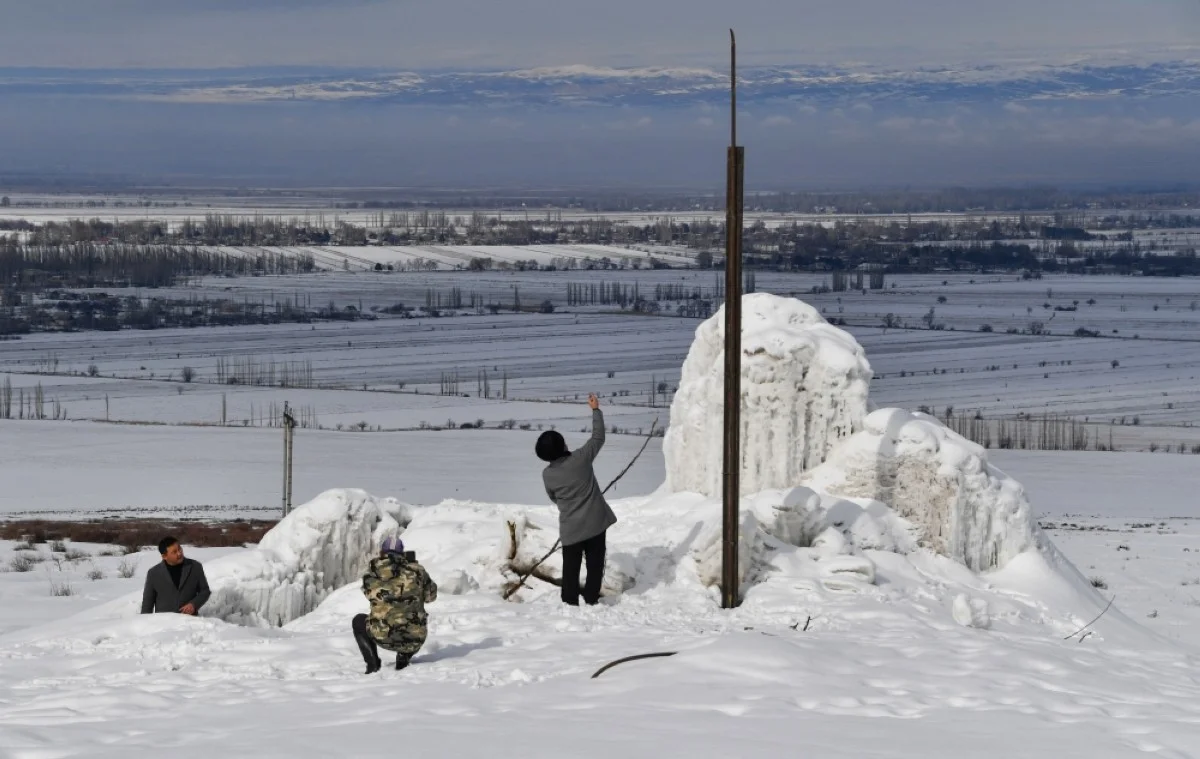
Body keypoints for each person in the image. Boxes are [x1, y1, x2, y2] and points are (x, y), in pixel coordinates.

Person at [537, 393, 617, 606]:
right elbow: (598, 437)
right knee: (595, 565)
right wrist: (595, 409)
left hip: (571, 528)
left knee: (570, 569)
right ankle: (591, 599)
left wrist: (569, 505)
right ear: (562, 446)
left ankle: (569, 602)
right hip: (595, 523)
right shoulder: (581, 459)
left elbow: (553, 497)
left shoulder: (548, 475)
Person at [352, 536, 438, 674]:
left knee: (358, 621)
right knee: (412, 625)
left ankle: (372, 665)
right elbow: (430, 597)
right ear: (402, 553)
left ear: (382, 553)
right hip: (414, 639)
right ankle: (404, 658)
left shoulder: (371, 574)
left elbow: (370, 596)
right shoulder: (417, 571)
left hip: (382, 636)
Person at [140, 536, 211, 616]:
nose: (179, 553)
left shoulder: (195, 566)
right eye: (174, 552)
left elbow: (205, 591)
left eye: (179, 549)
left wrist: (193, 604)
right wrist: (144, 625)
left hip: (190, 623)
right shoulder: (153, 573)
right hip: (163, 624)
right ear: (164, 556)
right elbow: (147, 604)